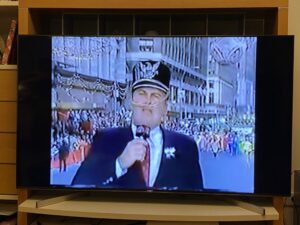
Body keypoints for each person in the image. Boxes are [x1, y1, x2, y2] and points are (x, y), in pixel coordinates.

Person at [72, 61, 203, 191]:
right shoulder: (105, 139)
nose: (147, 101)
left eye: (156, 95)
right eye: (142, 94)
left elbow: (197, 201)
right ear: (131, 102)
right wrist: (119, 164)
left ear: (165, 107)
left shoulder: (186, 147)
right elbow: (78, 188)